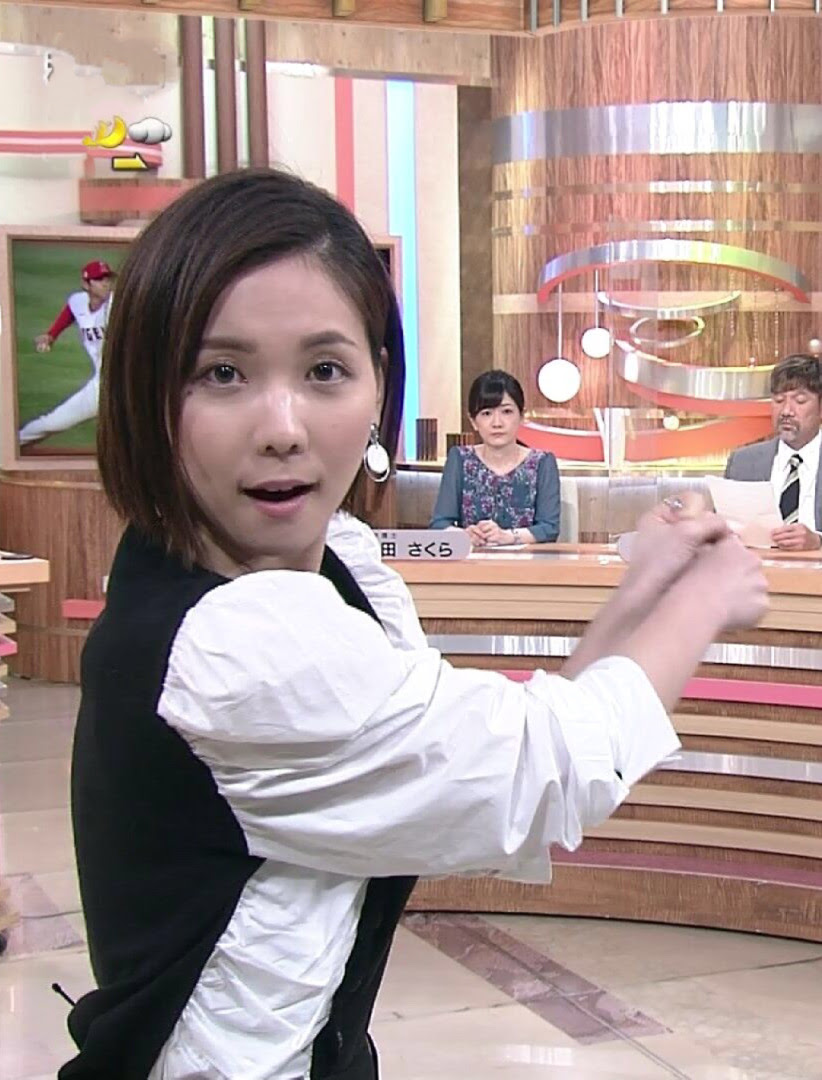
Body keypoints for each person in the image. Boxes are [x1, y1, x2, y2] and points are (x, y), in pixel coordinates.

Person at [60, 168, 768, 1080]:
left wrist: (646, 591)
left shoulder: (333, 557)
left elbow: (493, 744)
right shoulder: (240, 643)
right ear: (146, 394)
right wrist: (704, 599)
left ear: (378, 385)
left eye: (325, 371)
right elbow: (536, 774)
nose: (283, 428)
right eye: (222, 373)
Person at [429, 370, 560, 546]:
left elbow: (549, 528)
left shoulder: (542, 463)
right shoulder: (459, 459)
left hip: (527, 561)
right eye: (486, 413)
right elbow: (439, 524)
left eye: (506, 412)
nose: (497, 423)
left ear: (521, 416)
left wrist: (508, 536)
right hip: (472, 559)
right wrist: (464, 535)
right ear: (473, 421)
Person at [725, 353, 822, 551]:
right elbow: (721, 532)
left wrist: (818, 541)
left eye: (800, 401)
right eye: (778, 400)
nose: (786, 411)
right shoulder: (743, 463)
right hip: (758, 566)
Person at [18, 260, 115, 447]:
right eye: (99, 279)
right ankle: (8, 446)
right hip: (102, 384)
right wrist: (50, 336)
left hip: (129, 385)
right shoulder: (78, 301)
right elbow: (70, 313)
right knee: (51, 423)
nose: (105, 283)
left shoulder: (116, 304)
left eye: (107, 278)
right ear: (86, 284)